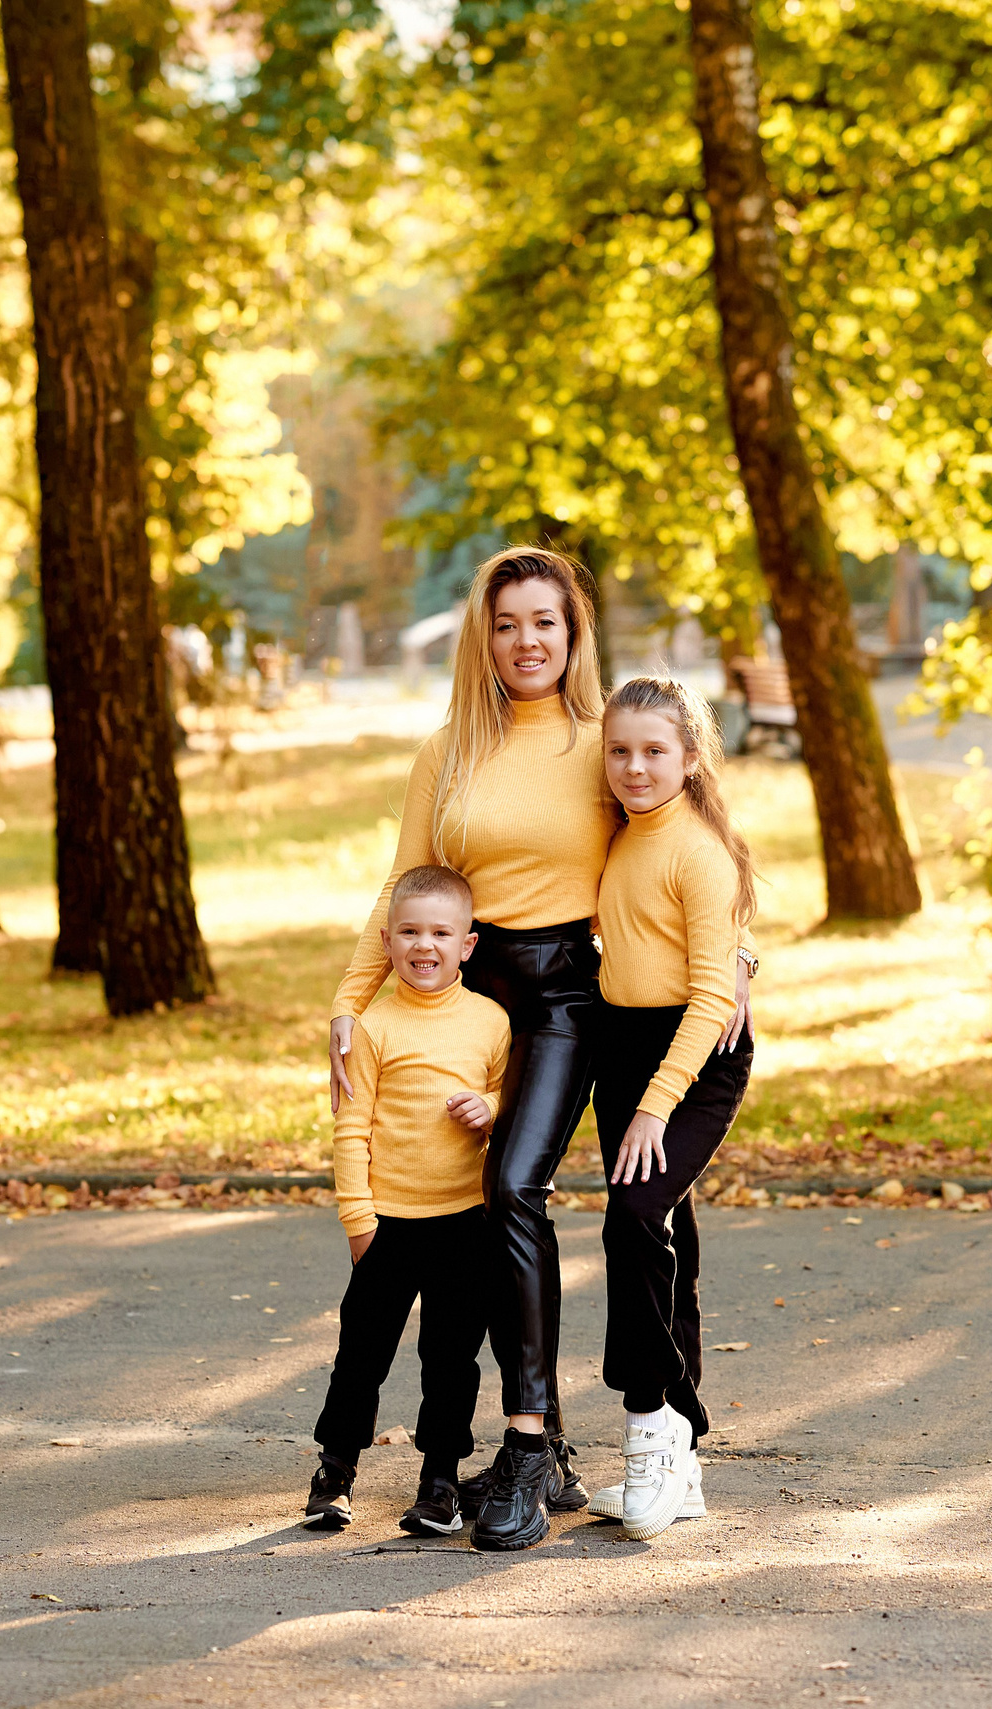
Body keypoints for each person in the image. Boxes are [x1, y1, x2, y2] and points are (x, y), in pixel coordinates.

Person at [326, 546, 757, 1553]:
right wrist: (351, 999)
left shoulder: (602, 742)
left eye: (546, 623)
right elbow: (403, 889)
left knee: (517, 1183)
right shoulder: (449, 749)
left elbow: (690, 839)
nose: (528, 640)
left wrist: (738, 949)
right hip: (469, 997)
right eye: (510, 622)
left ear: (574, 636)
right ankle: (549, 1440)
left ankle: (526, 1441)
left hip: (568, 994)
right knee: (471, 1201)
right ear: (485, 633)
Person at [583, 676, 758, 1541]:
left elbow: (708, 1000)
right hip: (624, 1048)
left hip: (694, 1059)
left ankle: (656, 1419)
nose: (635, 766)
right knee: (667, 1235)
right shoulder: (617, 831)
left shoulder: (699, 851)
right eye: (620, 750)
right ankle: (681, 1464)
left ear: (691, 759)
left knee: (633, 1211)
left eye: (655, 751)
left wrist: (656, 1107)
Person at [305, 864, 510, 1534]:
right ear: (388, 943)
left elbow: (513, 1096)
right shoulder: (372, 1026)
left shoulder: (490, 1021)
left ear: (468, 945)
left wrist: (491, 1107)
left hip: (462, 1221)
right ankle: (336, 1469)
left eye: (441, 933)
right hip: (388, 1221)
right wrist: (357, 1216)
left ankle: (440, 1481)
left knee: (451, 1358)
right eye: (410, 932)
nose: (425, 946)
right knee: (361, 1351)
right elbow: (350, 1125)